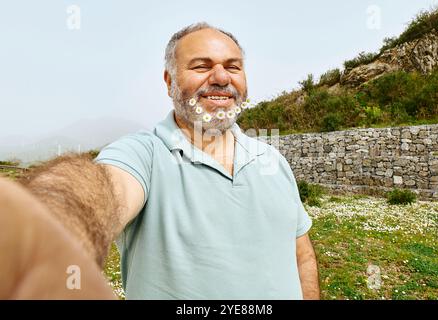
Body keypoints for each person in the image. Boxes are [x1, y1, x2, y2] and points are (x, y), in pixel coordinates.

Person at [2, 22, 320, 300]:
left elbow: (301, 256)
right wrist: (44, 231)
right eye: (201, 66)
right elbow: (96, 188)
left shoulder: (273, 160)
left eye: (233, 66)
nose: (221, 77)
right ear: (169, 82)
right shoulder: (144, 154)